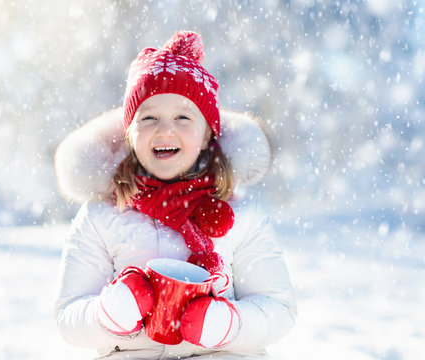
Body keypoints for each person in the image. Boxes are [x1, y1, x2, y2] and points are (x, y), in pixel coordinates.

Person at [53, 30, 297, 359]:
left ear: (209, 132)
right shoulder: (101, 216)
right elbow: (69, 316)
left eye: (183, 117)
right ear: (129, 133)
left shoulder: (243, 215)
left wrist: (228, 325)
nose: (165, 130)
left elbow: (278, 309)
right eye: (149, 117)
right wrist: (109, 315)